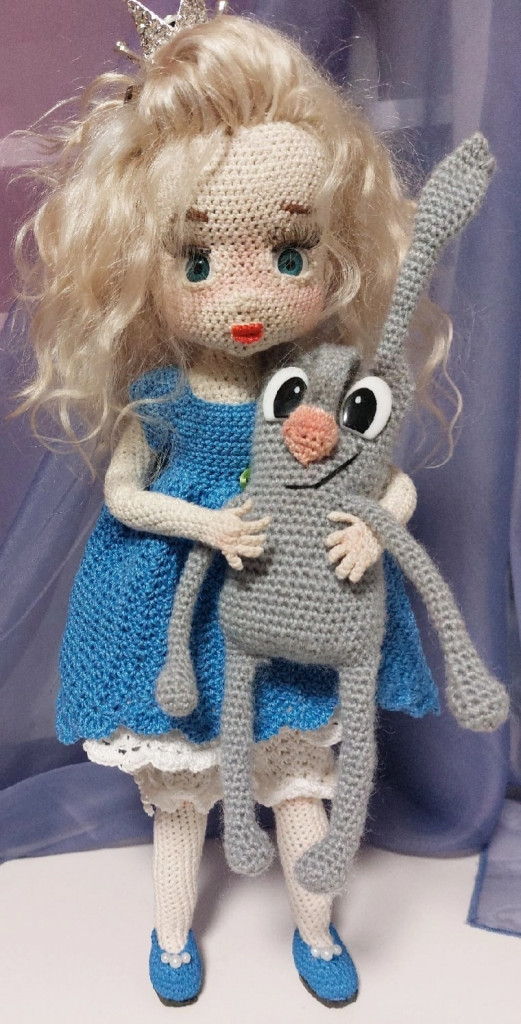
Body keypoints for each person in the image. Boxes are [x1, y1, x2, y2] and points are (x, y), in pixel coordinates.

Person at [17, 3, 445, 1007]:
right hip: (181, 604)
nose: (244, 299)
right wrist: (203, 522)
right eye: (198, 262)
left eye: (288, 256)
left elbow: (388, 478)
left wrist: (368, 524)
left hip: (287, 606)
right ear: (145, 265)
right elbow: (124, 492)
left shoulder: (324, 389)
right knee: (179, 798)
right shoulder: (162, 397)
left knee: (298, 782)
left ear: (332, 253)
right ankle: (172, 934)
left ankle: (315, 926)